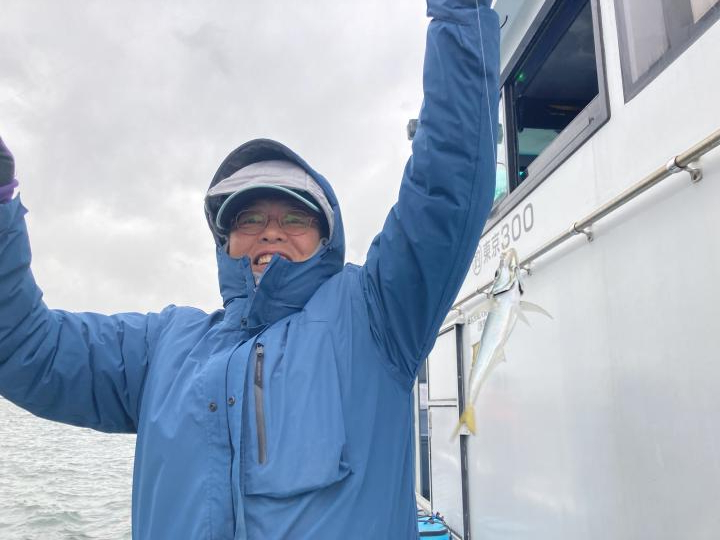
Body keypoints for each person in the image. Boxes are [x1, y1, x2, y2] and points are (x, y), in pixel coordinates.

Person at [0, 0, 499, 538]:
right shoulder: (163, 346)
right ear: (226, 240)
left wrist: (459, 13)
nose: (271, 232)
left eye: (295, 217)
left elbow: (445, 183)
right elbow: (26, 348)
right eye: (250, 218)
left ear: (327, 238)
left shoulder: (376, 316)